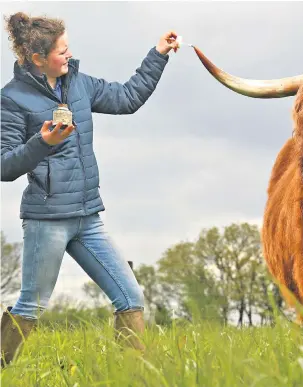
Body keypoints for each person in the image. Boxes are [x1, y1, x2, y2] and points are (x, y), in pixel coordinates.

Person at [0, 11, 180, 367]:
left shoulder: (78, 84)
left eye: (68, 48)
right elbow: (5, 165)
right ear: (38, 59)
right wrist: (43, 141)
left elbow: (127, 98)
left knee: (130, 297)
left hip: (88, 217)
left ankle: (129, 373)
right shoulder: (12, 99)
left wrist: (157, 55)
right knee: (31, 306)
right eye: (61, 51)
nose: (69, 55)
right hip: (47, 220)